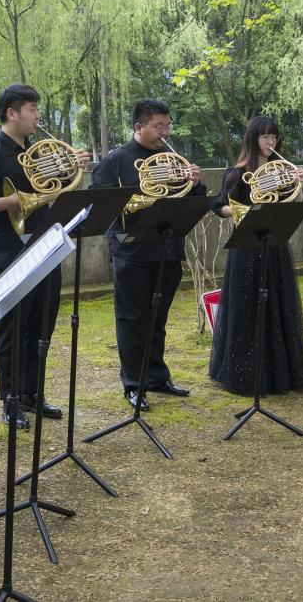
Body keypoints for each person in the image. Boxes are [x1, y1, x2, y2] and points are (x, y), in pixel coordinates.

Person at [0, 83, 89, 429]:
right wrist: (8, 202)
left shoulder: (36, 151)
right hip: (9, 250)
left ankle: (32, 393)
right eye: (32, 109)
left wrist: (71, 167)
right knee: (12, 328)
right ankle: (9, 400)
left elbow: (55, 186)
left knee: (42, 324)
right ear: (12, 113)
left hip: (44, 244)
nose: (37, 115)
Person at [90, 98, 204, 410]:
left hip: (167, 247)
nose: (165, 132)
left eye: (167, 126)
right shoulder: (116, 160)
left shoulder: (173, 157)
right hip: (131, 250)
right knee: (132, 319)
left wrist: (195, 183)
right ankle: (133, 384)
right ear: (139, 127)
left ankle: (156, 376)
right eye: (159, 126)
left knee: (158, 317)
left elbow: (192, 200)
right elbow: (99, 198)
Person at [208, 117, 303, 396]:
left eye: (274, 137)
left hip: (275, 245)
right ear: (253, 139)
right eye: (265, 136)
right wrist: (243, 212)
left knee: (279, 305)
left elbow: (297, 203)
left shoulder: (283, 170)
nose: (271, 142)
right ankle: (246, 374)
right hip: (247, 248)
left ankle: (280, 374)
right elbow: (218, 205)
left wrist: (299, 184)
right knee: (247, 308)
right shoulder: (238, 173)